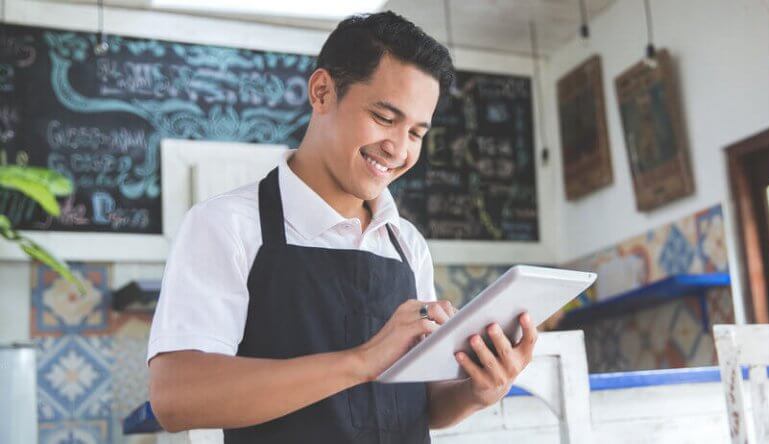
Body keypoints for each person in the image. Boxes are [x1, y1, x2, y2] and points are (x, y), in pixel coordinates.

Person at [147, 11, 538, 443]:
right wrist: (361, 361)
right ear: (321, 92)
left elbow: (419, 405)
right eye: (385, 118)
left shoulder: (408, 244)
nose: (398, 149)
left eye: (416, 133)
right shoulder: (226, 225)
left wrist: (477, 392)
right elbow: (176, 396)